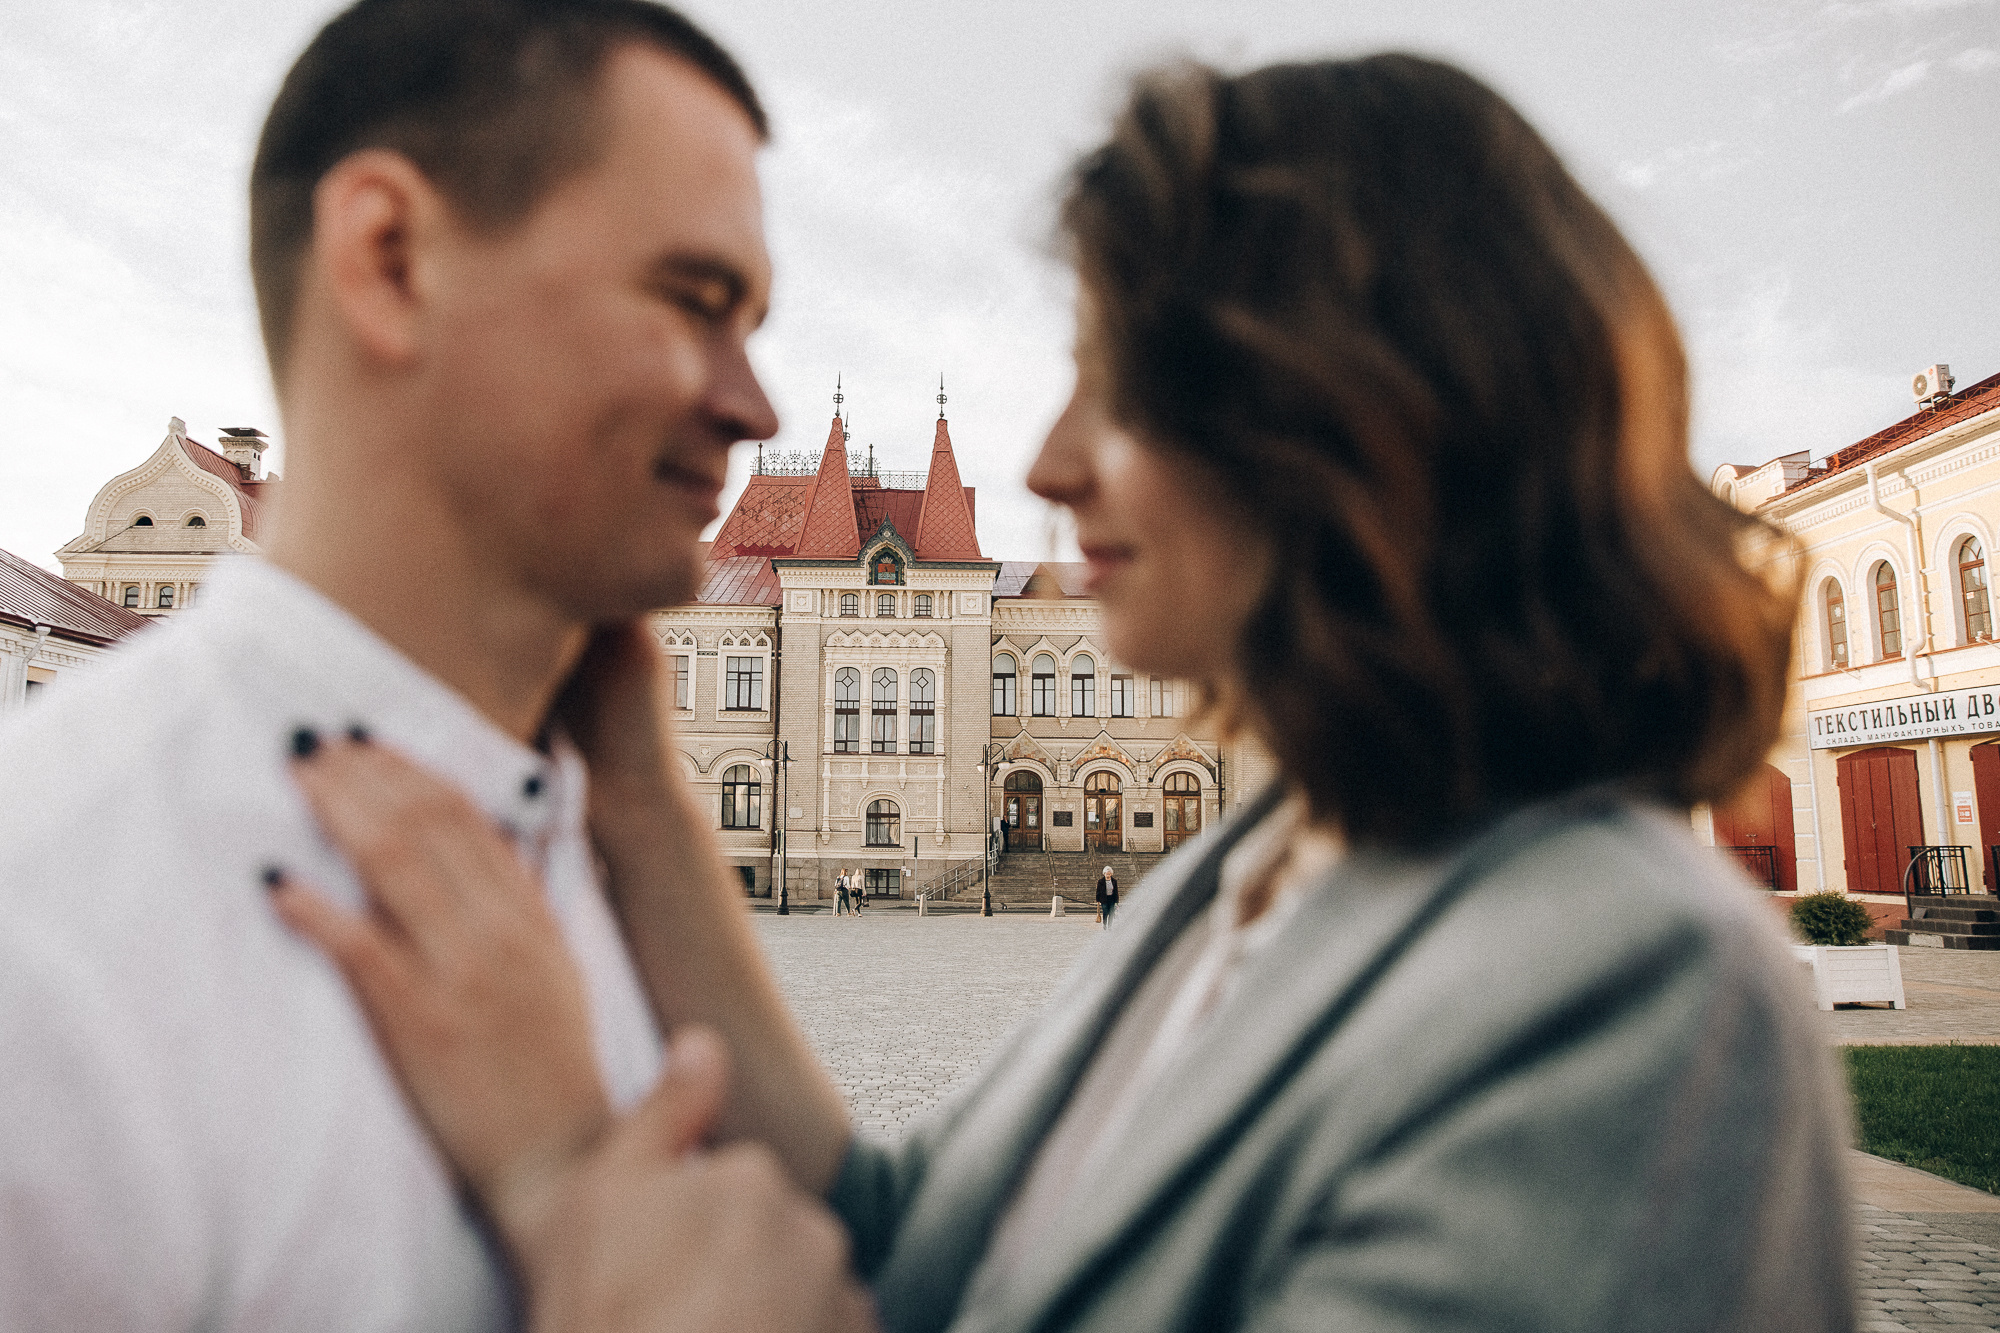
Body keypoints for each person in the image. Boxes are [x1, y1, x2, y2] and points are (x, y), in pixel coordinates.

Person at [274, 53, 1856, 1333]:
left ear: (1356, 419)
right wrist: (639, 792)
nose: (1047, 459)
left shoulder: (1628, 980)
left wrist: (572, 1194)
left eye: (1120, 380)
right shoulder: (1264, 865)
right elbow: (910, 1242)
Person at [0, 2, 870, 1329]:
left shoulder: (602, 837)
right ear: (392, 258)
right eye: (694, 301)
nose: (755, 406)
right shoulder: (48, 929)